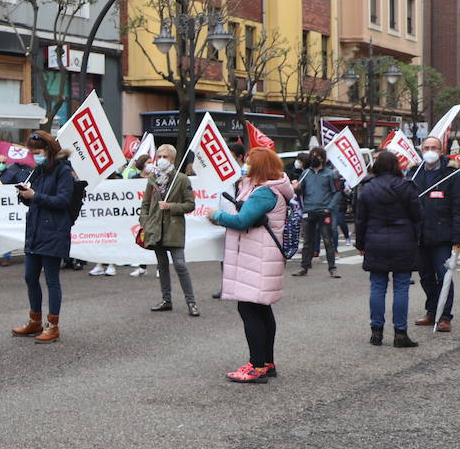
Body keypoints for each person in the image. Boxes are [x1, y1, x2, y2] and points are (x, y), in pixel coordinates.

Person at [205, 147, 294, 384]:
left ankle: (257, 366)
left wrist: (217, 215)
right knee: (261, 309)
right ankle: (266, 362)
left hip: (258, 258)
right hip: (259, 257)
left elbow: (242, 220)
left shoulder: (264, 193)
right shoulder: (265, 189)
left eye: (249, 162)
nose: (245, 164)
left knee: (250, 310)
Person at [10, 131, 75, 343]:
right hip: (35, 232)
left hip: (54, 232)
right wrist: (26, 196)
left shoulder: (63, 171)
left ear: (48, 150)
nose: (34, 156)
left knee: (52, 279)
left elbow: (63, 201)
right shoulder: (38, 171)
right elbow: (36, 200)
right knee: (30, 277)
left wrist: (35, 196)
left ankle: (53, 325)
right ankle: (34, 321)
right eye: (32, 152)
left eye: (37, 152)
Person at [355, 150, 422, 348]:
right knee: (401, 287)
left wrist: (361, 244)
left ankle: (376, 331)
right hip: (403, 240)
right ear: (396, 166)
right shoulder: (407, 187)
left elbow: (360, 220)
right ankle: (400, 333)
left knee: (377, 286)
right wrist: (415, 237)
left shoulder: (367, 188)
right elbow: (418, 216)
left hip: (375, 241)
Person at [408, 136, 460, 332]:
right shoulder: (413, 173)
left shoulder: (453, 175)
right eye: (426, 147)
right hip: (420, 235)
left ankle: (445, 316)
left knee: (444, 277)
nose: (430, 151)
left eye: (434, 147)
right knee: (425, 276)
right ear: (421, 150)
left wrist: (458, 238)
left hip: (443, 236)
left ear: (441, 150)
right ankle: (432, 310)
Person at [139, 143, 199, 317]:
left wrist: (170, 206)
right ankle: (166, 300)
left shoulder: (181, 179)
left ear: (172, 159)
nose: (161, 160)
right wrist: (145, 221)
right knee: (162, 266)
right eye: (159, 157)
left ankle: (191, 302)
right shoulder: (153, 178)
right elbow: (145, 204)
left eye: (165, 157)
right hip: (156, 229)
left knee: (180, 264)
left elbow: (190, 205)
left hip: (174, 229)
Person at [293, 146, 340, 278]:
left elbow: (336, 193)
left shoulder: (331, 174)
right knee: (308, 241)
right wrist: (297, 188)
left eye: (317, 156)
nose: (314, 158)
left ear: (323, 158)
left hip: (324, 211)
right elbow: (300, 192)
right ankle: (304, 267)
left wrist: (329, 208)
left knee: (327, 240)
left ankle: (332, 268)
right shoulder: (306, 173)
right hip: (309, 211)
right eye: (312, 155)